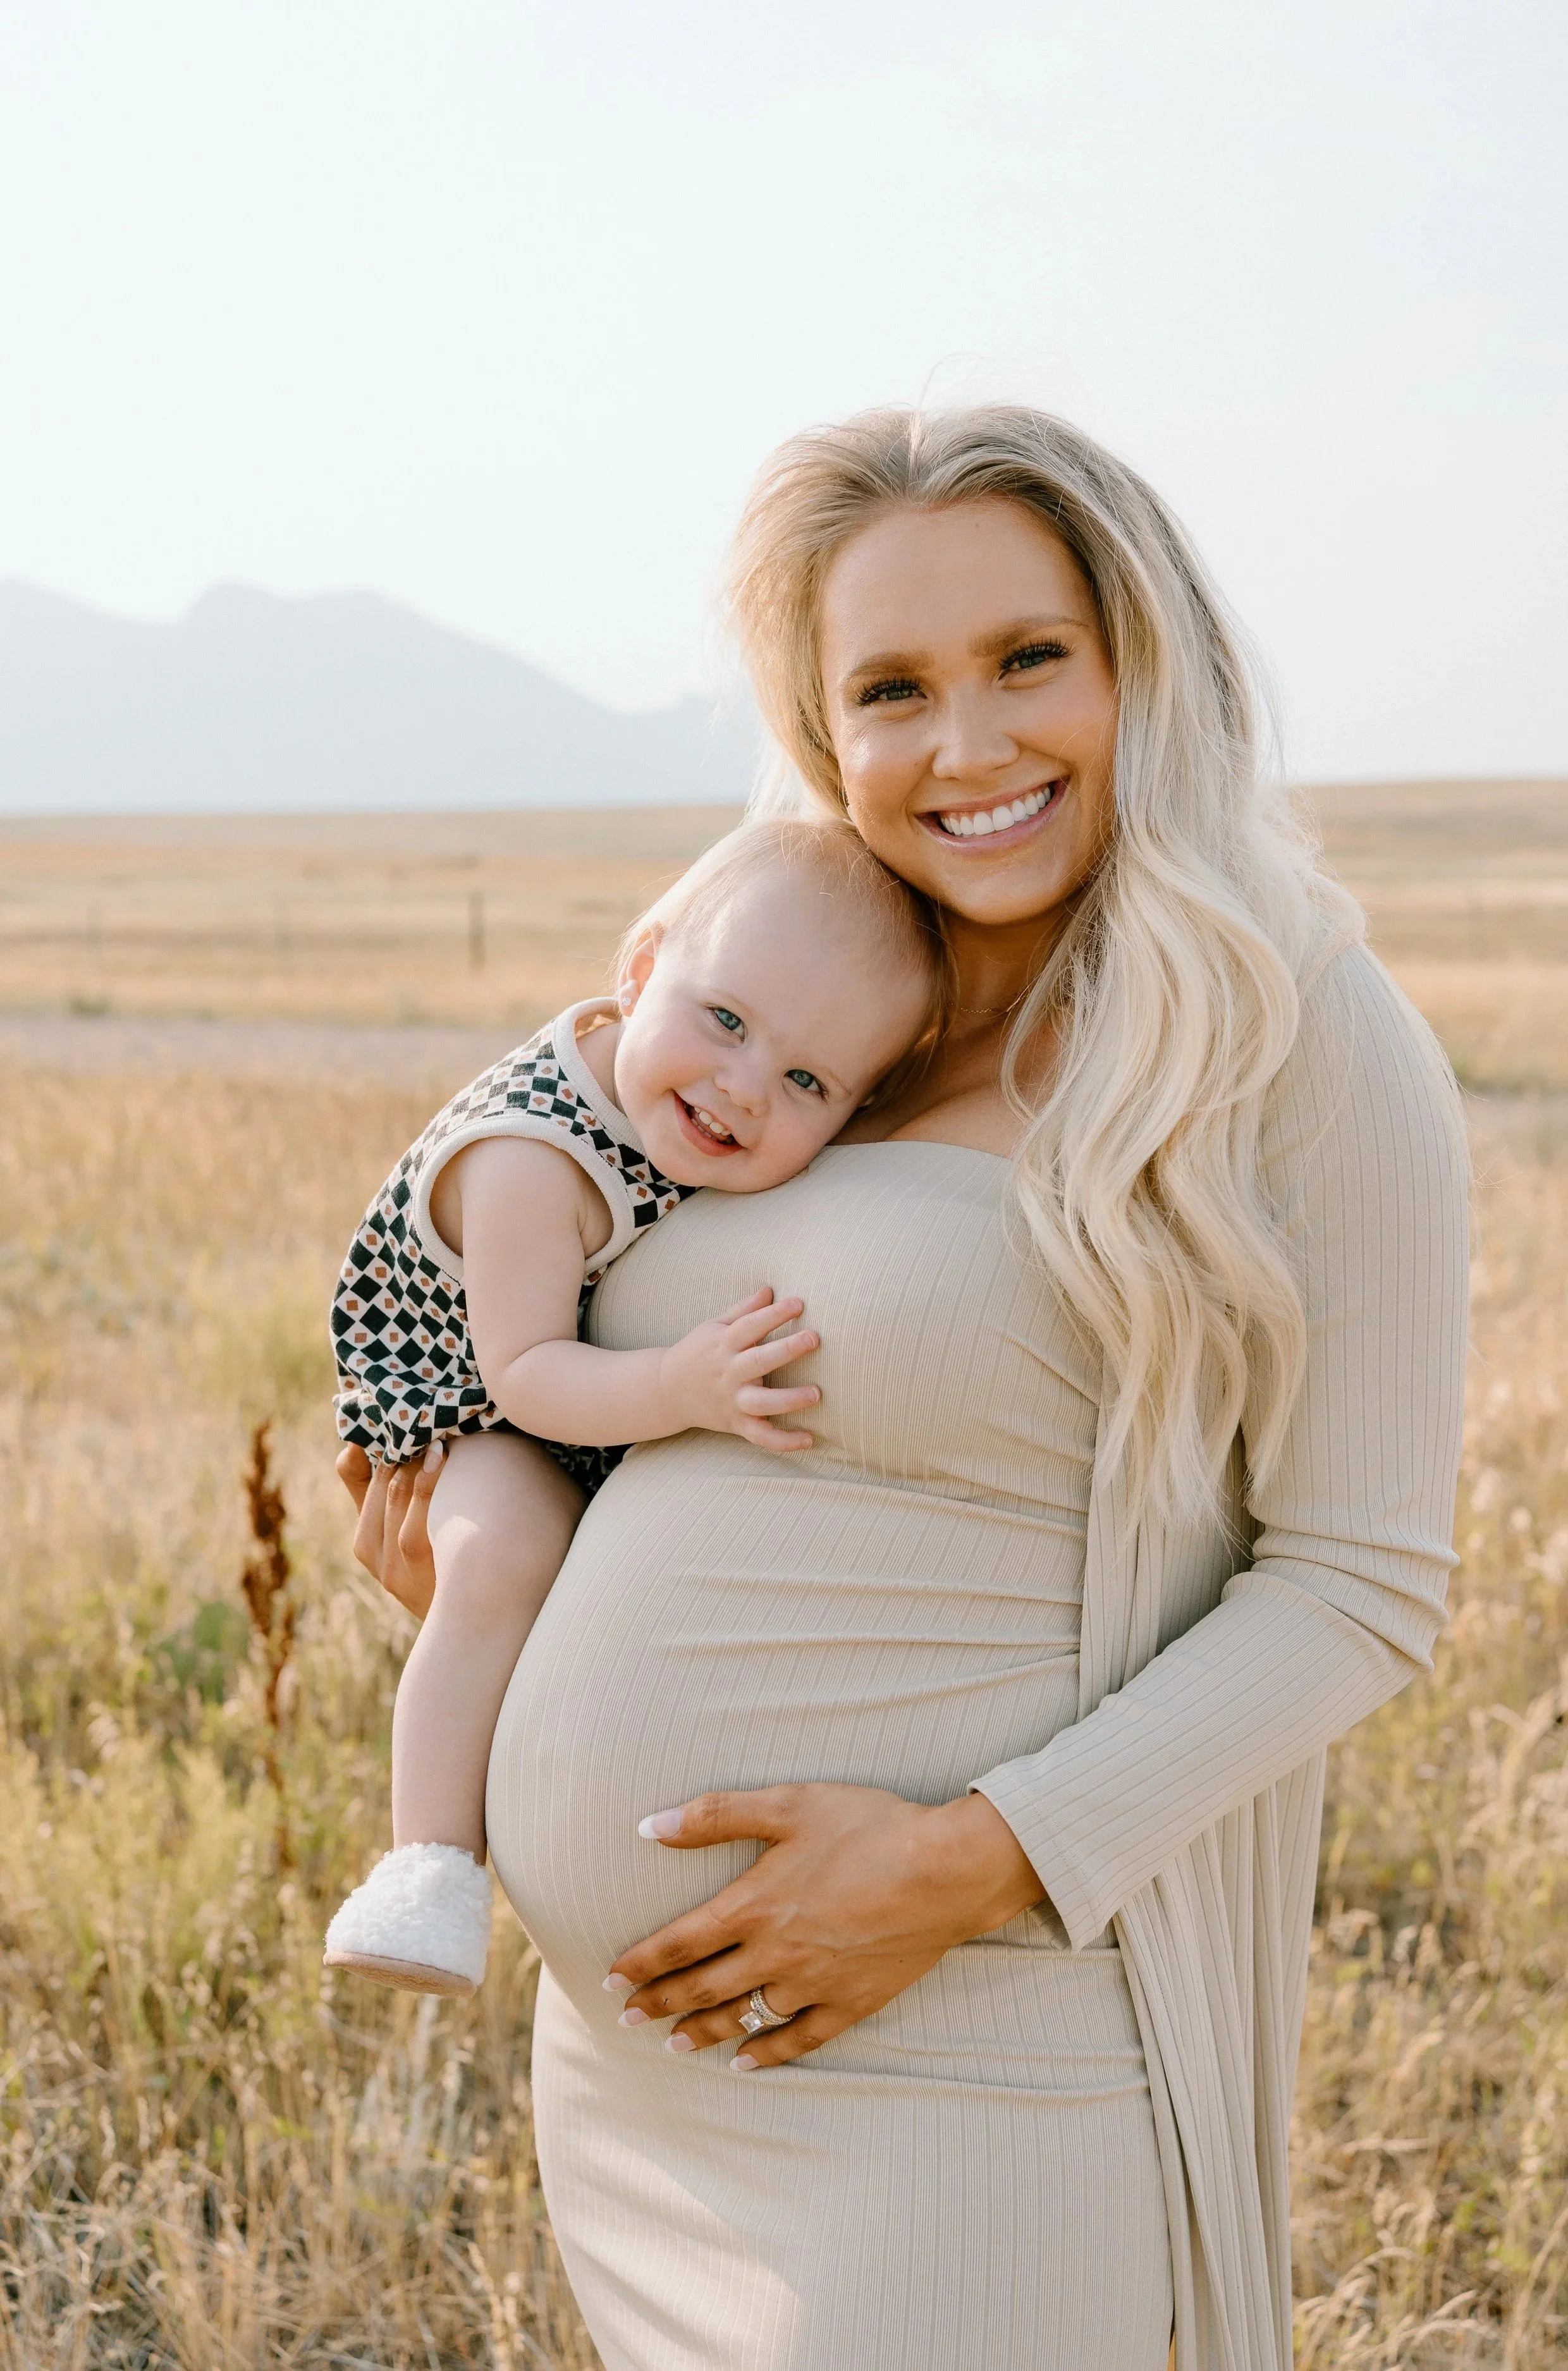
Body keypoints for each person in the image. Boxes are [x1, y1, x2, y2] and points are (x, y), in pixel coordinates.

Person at [341, 405, 1469, 2371]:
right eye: (892, 686)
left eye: (1031, 658)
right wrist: (504, 1536)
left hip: (963, 2049)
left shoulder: (1295, 1031)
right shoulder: (825, 1013)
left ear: (1147, 661)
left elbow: (1362, 1580)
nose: (967, 744)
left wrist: (961, 1863)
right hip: (665, 2100)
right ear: (821, 724)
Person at [324, 817, 939, 1994]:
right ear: (642, 967)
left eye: (807, 1081)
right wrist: (680, 1385)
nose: (742, 1087)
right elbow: (527, 1373)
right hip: (466, 1397)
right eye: (726, 1021)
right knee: (508, 1550)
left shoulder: (680, 1105)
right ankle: (429, 1863)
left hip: (552, 1382)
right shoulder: (532, 1163)